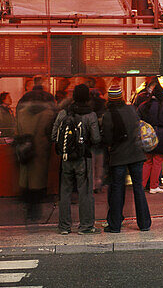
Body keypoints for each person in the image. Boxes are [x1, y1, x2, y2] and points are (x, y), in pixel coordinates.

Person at [52, 83, 101, 234]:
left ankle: (64, 227)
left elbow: (54, 135)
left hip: (66, 159)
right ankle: (86, 226)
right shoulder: (90, 115)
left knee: (65, 192)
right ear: (87, 97)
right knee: (85, 192)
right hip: (83, 158)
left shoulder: (63, 113)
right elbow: (96, 138)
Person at [101, 85, 151, 232]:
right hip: (136, 155)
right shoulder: (131, 110)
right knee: (138, 189)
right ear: (121, 96)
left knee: (117, 190)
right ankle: (144, 223)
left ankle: (115, 225)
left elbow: (108, 139)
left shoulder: (108, 115)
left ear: (110, 98)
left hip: (118, 157)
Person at [15, 83, 57, 223]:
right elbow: (51, 133)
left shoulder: (21, 113)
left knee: (26, 179)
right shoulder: (48, 114)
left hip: (25, 151)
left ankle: (28, 211)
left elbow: (17, 131)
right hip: (40, 151)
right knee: (37, 181)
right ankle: (35, 212)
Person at [137, 81, 163, 193]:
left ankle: (141, 185)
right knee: (157, 161)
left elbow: (137, 118)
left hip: (147, 135)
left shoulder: (143, 105)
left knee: (147, 161)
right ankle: (154, 186)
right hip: (162, 134)